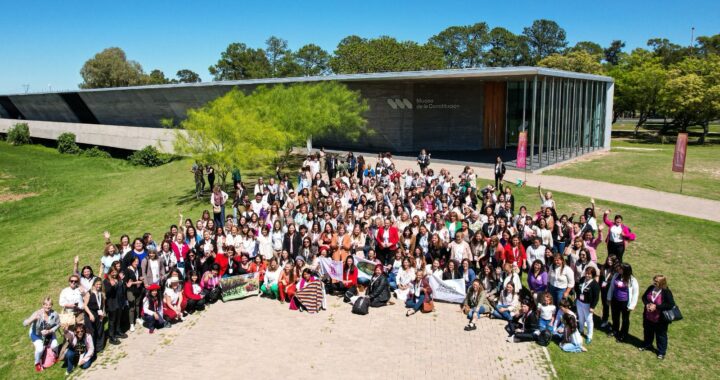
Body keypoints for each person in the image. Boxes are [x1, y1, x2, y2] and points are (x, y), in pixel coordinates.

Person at [640, 274, 676, 360]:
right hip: (648, 316)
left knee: (661, 335)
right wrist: (647, 304)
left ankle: (661, 352)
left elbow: (671, 304)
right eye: (654, 280)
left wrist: (656, 307)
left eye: (657, 281)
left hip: (660, 319)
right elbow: (644, 297)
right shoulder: (651, 288)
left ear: (662, 282)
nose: (654, 282)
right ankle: (647, 345)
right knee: (648, 332)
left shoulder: (666, 292)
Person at [23, 297, 60, 372]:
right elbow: (24, 323)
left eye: (49, 305)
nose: (47, 306)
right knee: (40, 349)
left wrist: (50, 331)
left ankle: (54, 356)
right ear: (42, 305)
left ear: (52, 305)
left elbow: (58, 324)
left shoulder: (54, 314)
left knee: (55, 345)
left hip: (48, 334)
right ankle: (37, 363)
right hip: (36, 335)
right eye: (45, 304)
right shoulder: (37, 313)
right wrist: (33, 319)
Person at [607, 262, 639, 342]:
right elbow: (611, 287)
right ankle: (615, 330)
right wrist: (609, 298)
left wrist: (632, 305)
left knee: (625, 319)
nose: (618, 269)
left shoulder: (632, 280)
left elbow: (635, 293)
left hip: (625, 302)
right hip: (615, 300)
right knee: (615, 316)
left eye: (620, 268)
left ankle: (623, 334)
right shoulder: (616, 275)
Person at [575, 267, 600, 344]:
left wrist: (592, 307)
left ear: (592, 275)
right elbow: (577, 288)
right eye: (586, 273)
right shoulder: (582, 279)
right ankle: (581, 330)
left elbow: (596, 297)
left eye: (589, 274)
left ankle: (589, 336)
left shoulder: (595, 284)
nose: (587, 275)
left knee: (589, 320)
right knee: (581, 317)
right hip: (579, 302)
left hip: (588, 305)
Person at [83, 278, 107, 351]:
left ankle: (99, 347)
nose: (99, 286)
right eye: (97, 284)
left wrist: (103, 312)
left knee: (100, 330)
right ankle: (91, 348)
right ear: (94, 284)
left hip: (99, 313)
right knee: (92, 331)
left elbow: (103, 304)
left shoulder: (101, 293)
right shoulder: (89, 293)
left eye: (100, 284)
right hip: (90, 313)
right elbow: (85, 305)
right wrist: (90, 314)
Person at [123, 257, 143, 332]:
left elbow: (139, 277)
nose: (136, 263)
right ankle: (131, 323)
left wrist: (141, 278)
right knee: (132, 307)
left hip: (138, 289)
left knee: (138, 304)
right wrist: (135, 282)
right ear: (131, 262)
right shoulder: (127, 270)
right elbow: (126, 282)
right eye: (135, 262)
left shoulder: (139, 268)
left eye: (137, 261)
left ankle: (137, 318)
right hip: (130, 290)